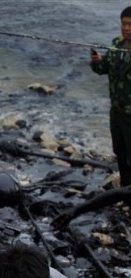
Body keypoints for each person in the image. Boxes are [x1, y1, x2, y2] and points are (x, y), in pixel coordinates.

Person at [90, 6, 131, 188]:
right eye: (123, 24)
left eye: (130, 25)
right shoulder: (116, 45)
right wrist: (97, 61)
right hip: (116, 112)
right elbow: (103, 69)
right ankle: (124, 190)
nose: (126, 28)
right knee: (120, 153)